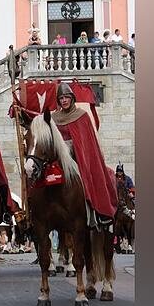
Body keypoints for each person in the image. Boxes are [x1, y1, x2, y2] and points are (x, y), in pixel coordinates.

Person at [51, 82, 118, 227]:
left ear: (72, 98)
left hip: (77, 158)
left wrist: (70, 148)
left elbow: (86, 143)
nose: (64, 100)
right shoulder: (53, 118)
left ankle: (96, 212)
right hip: (57, 159)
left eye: (66, 97)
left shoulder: (82, 116)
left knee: (87, 178)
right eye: (61, 98)